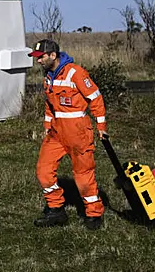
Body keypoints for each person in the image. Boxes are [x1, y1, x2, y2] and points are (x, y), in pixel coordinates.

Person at [29, 39, 107, 230]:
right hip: (56, 133)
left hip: (78, 133)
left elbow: (95, 98)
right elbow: (49, 103)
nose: (38, 61)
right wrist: (47, 124)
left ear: (53, 55)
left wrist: (101, 126)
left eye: (41, 57)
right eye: (36, 58)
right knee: (43, 172)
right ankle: (56, 210)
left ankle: (93, 214)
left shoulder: (75, 73)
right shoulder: (48, 76)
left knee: (83, 176)